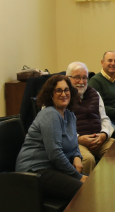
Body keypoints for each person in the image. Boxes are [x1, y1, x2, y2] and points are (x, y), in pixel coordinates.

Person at [15, 75, 86, 203]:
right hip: (35, 170)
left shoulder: (70, 115)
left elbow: (74, 144)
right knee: (83, 189)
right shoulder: (50, 114)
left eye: (66, 90)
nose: (63, 94)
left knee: (91, 184)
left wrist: (77, 157)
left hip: (52, 167)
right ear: (50, 94)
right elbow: (55, 154)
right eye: (58, 90)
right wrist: (77, 176)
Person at [67, 61, 115, 174]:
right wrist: (78, 138)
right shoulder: (63, 96)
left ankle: (111, 185)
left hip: (98, 139)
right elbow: (59, 127)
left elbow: (104, 118)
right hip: (76, 141)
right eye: (77, 77)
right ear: (67, 78)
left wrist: (104, 135)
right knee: (87, 160)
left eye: (84, 78)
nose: (81, 82)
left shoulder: (94, 94)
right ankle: (85, 191)